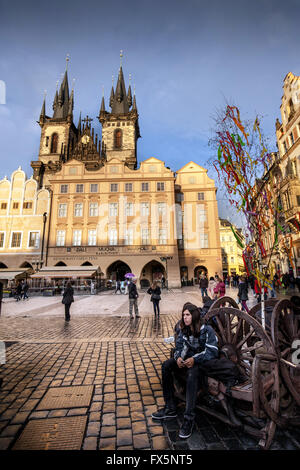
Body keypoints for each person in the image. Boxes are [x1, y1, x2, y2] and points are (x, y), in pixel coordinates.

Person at [151, 302, 219, 439]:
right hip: (187, 360)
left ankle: (189, 419)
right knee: (167, 365)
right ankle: (170, 407)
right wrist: (178, 359)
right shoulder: (183, 329)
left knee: (192, 374)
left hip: (201, 362)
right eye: (183, 315)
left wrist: (194, 359)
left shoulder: (206, 330)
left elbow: (212, 351)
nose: (185, 318)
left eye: (187, 315)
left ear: (193, 316)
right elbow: (179, 346)